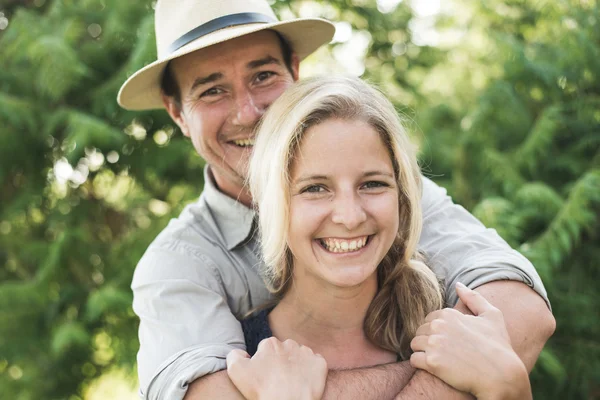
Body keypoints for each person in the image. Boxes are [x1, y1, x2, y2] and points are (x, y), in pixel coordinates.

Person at [117, 0, 555, 399]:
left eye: (263, 76)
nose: (247, 112)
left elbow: (522, 313)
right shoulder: (177, 265)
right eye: (212, 90)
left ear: (294, 71)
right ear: (177, 112)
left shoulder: (389, 191)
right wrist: (468, 376)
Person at [223, 76, 533, 400]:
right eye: (315, 188)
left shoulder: (459, 334)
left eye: (372, 184)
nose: (350, 216)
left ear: (402, 195)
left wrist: (511, 386)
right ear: (273, 204)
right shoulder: (242, 367)